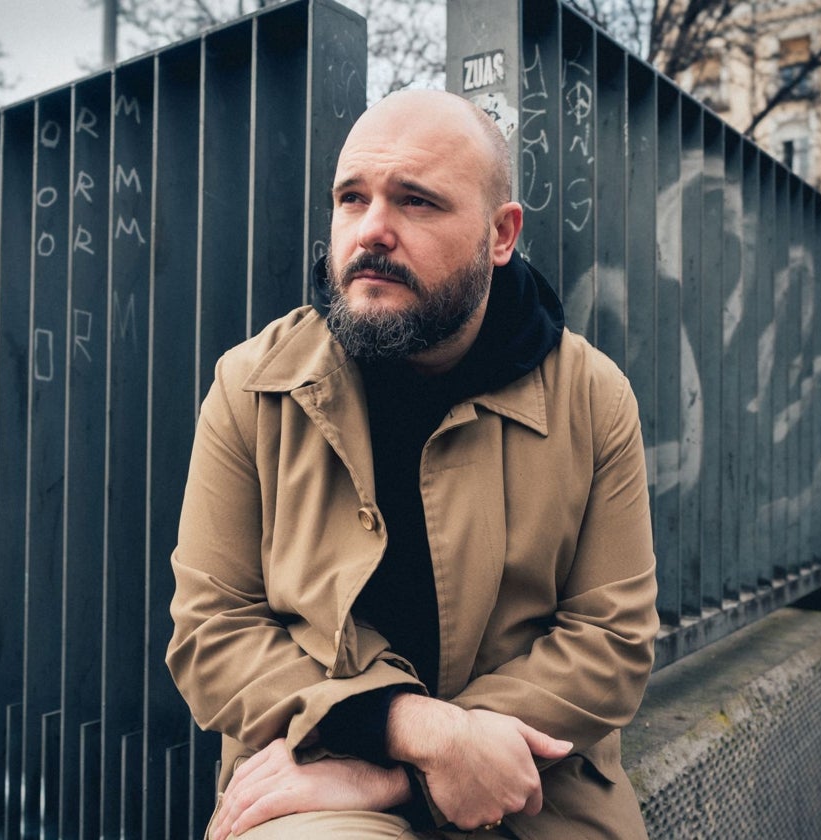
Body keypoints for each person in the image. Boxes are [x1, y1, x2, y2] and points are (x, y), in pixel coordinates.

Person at [166, 89, 659, 840]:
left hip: (534, 790)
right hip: (319, 780)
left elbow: (611, 643)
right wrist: (412, 733)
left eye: (417, 202)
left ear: (501, 235)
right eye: (351, 198)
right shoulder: (252, 386)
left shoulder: (591, 399)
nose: (372, 231)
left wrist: (401, 775)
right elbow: (213, 631)